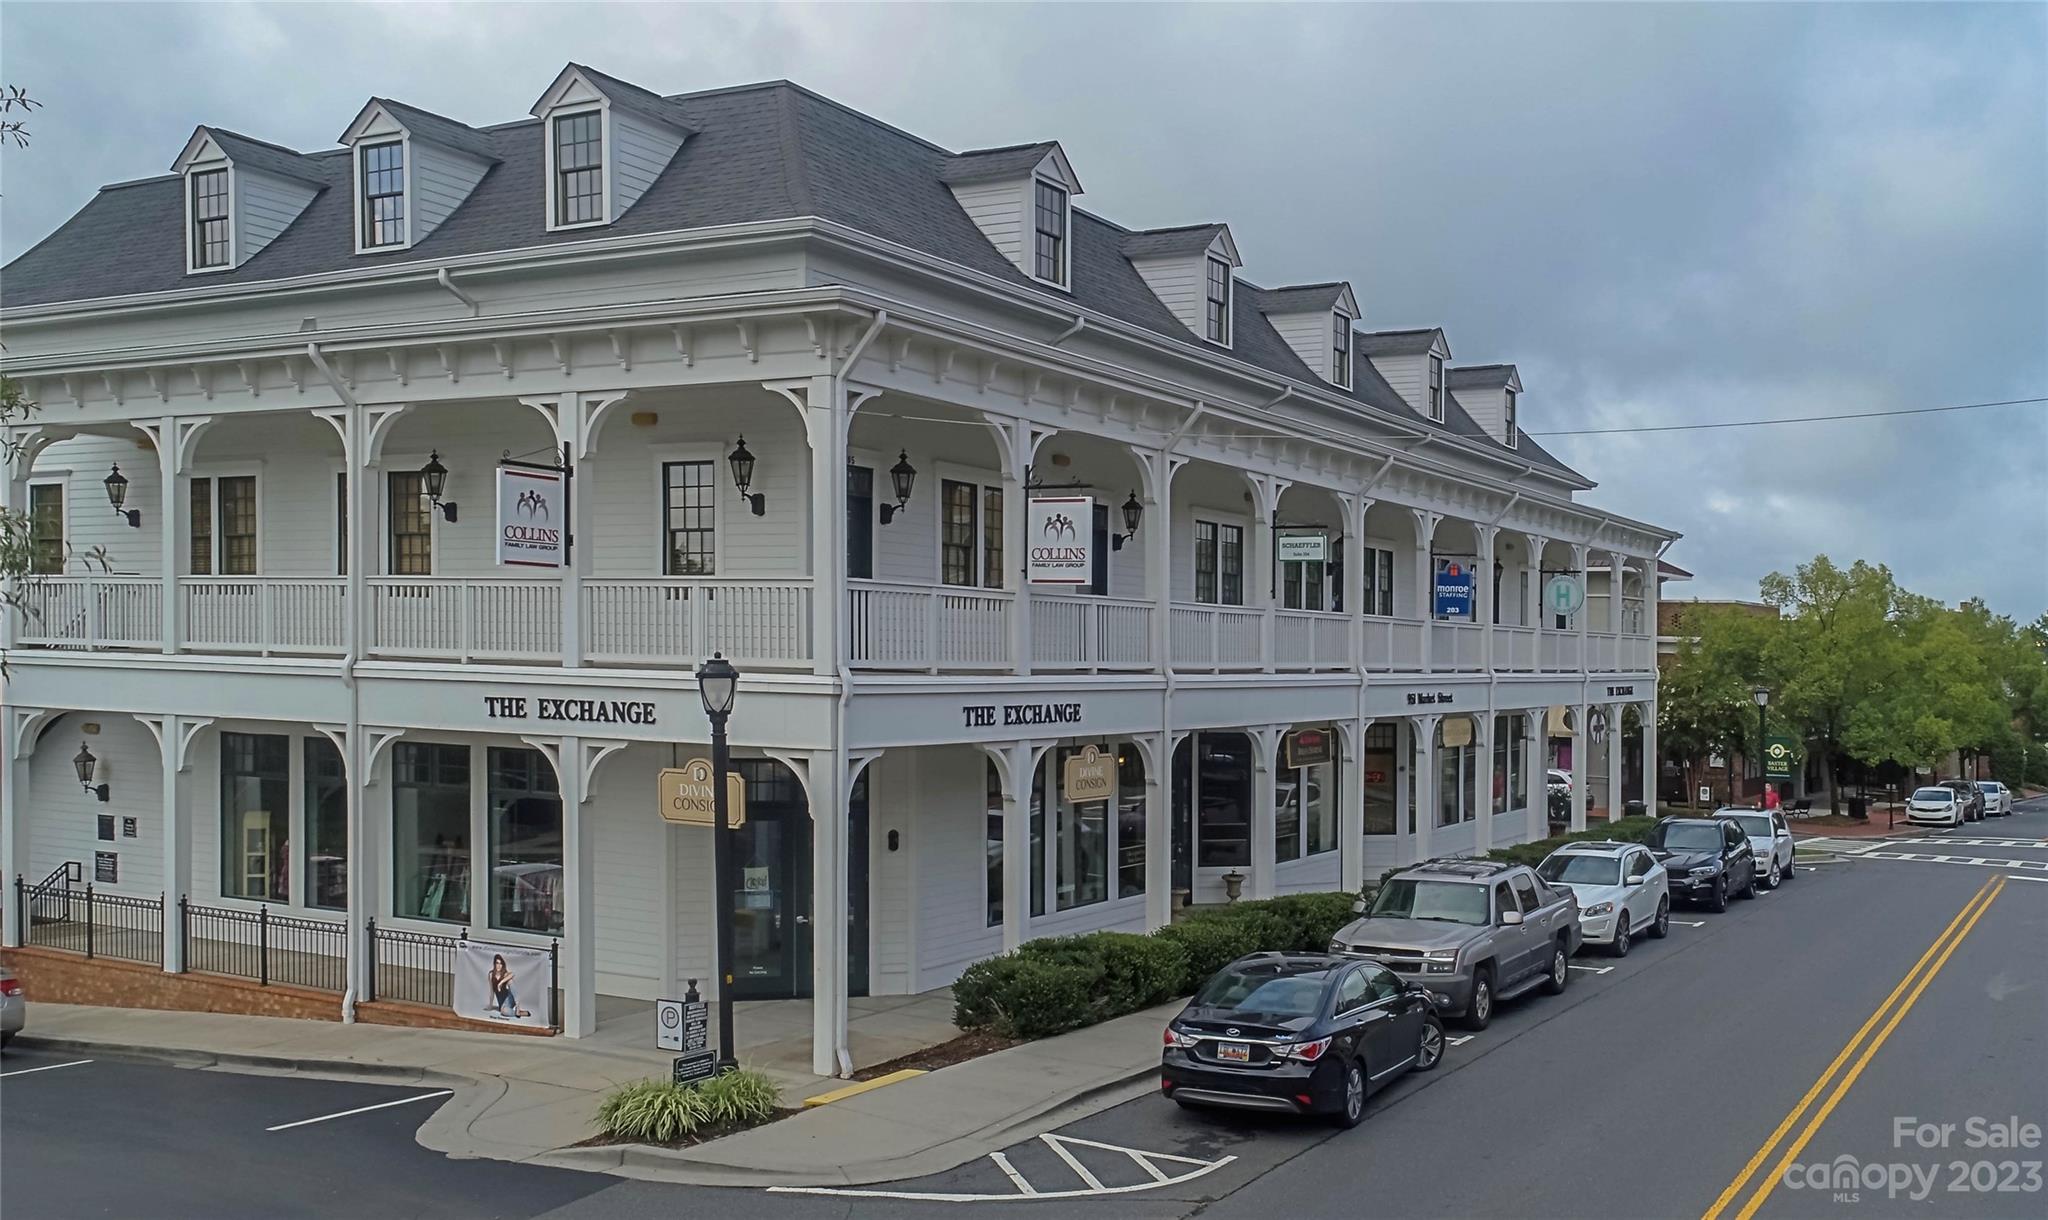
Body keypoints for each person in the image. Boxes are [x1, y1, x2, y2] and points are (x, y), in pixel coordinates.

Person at [487, 953, 530, 1020]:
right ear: (494, 964)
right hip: (503, 1003)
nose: (499, 965)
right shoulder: (491, 974)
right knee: (504, 1012)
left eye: (500, 963)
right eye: (497, 963)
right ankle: (520, 1013)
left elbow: (513, 974)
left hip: (510, 999)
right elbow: (491, 992)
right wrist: (490, 1006)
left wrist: (500, 983)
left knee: (510, 981)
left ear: (502, 965)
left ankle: (518, 1007)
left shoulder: (504, 974)